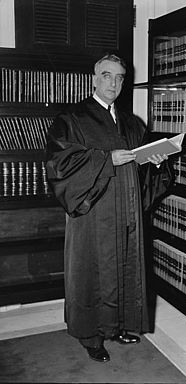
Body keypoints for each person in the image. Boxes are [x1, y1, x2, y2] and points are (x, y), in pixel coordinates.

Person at [46, 54, 173, 363]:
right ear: (94, 78)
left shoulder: (133, 123)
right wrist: (106, 160)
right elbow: (59, 164)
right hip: (93, 213)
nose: (113, 83)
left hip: (127, 211)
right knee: (92, 273)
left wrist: (155, 163)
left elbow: (143, 173)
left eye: (119, 78)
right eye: (107, 75)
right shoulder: (72, 118)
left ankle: (119, 326)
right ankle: (91, 337)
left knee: (125, 268)